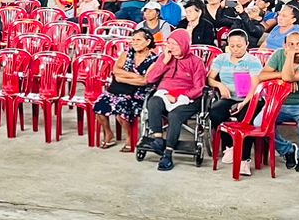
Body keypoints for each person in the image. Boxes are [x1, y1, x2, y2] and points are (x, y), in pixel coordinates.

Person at [138, 29, 207, 171]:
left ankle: (168, 155)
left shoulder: (196, 62)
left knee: (174, 115)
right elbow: (150, 79)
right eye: (169, 43)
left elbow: (199, 88)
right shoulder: (165, 58)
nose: (170, 47)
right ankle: (158, 140)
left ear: (184, 44)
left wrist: (178, 97)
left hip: (187, 98)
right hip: (165, 94)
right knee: (153, 102)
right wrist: (164, 61)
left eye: (174, 44)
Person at [257, 29, 299, 172]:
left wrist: (287, 71)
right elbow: (261, 76)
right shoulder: (278, 54)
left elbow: (288, 77)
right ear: (284, 46)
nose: (295, 48)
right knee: (259, 124)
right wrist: (283, 77)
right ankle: (287, 150)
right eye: (291, 45)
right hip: (281, 103)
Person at [207, 30, 265, 172]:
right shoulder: (221, 59)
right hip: (230, 98)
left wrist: (243, 103)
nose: (235, 49)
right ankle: (229, 146)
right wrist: (220, 85)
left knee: (246, 120)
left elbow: (255, 86)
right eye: (232, 46)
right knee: (215, 112)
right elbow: (210, 78)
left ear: (247, 44)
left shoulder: (252, 61)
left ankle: (245, 159)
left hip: (251, 98)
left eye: (239, 46)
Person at [94, 27, 159, 152]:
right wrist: (135, 77)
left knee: (121, 110)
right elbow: (116, 71)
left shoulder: (154, 60)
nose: (134, 42)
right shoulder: (126, 54)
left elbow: (145, 81)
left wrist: (122, 78)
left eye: (138, 40)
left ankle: (130, 137)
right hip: (117, 89)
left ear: (148, 42)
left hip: (138, 93)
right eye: (133, 40)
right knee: (99, 106)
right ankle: (109, 134)